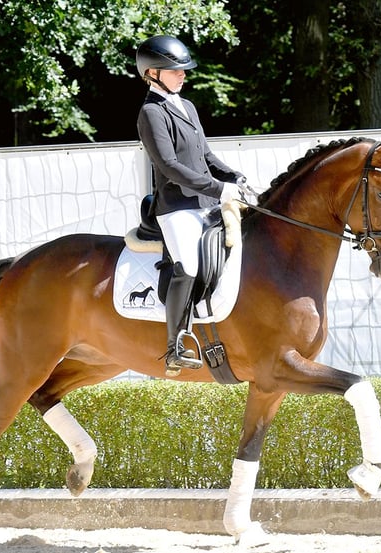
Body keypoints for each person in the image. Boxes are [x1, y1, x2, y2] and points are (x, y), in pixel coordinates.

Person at [135, 34, 246, 377]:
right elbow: (169, 166)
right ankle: (174, 347)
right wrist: (217, 187)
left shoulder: (187, 106)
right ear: (152, 73)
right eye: (175, 70)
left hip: (206, 201)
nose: (183, 74)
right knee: (190, 266)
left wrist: (233, 176)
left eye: (184, 69)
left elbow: (205, 155)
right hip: (177, 207)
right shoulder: (151, 113)